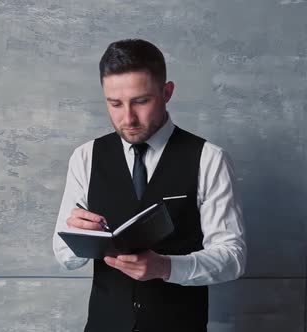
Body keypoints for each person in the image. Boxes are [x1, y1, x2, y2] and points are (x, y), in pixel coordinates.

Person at [52, 39, 246, 332]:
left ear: (167, 92)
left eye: (141, 101)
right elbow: (64, 255)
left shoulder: (209, 159)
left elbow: (232, 258)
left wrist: (166, 268)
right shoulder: (85, 157)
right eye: (114, 104)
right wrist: (77, 233)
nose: (127, 118)